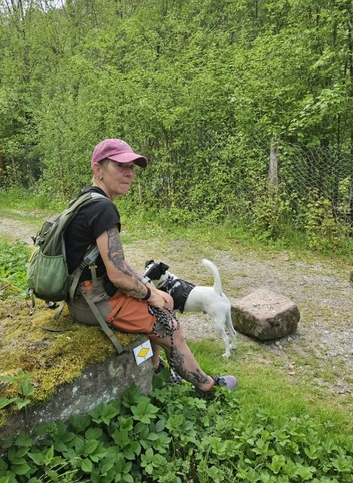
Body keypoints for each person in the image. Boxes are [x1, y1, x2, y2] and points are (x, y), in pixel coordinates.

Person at [65, 138, 237, 395]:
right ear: (98, 169)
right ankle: (207, 386)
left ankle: (155, 369)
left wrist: (150, 288)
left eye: (131, 167)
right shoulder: (103, 209)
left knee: (166, 300)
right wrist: (149, 295)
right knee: (172, 328)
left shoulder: (86, 199)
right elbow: (118, 275)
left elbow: (118, 262)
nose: (129, 173)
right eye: (120, 166)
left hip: (83, 295)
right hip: (95, 301)